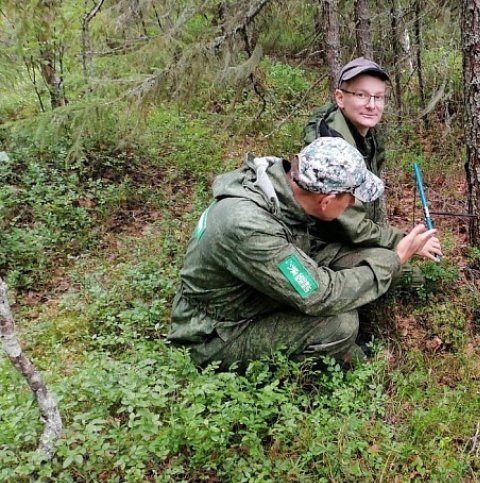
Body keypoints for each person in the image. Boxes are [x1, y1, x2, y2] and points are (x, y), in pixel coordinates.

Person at [168, 137, 440, 370]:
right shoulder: (249, 226)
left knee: (370, 257)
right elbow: (319, 296)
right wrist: (394, 261)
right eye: (351, 198)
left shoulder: (281, 185)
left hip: (253, 292)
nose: (354, 204)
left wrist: (389, 260)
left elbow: (313, 250)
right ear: (327, 201)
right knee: (340, 325)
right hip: (216, 332)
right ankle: (328, 367)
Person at [303, 57, 439, 269]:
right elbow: (352, 225)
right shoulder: (332, 148)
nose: (371, 105)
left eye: (379, 97)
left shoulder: (369, 133)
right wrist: (404, 240)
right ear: (340, 98)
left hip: (347, 236)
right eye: (361, 95)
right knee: (405, 274)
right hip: (321, 244)